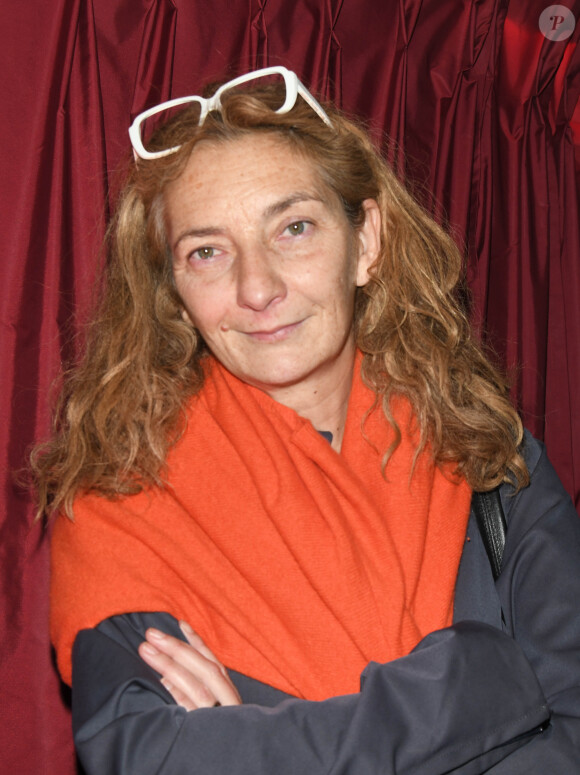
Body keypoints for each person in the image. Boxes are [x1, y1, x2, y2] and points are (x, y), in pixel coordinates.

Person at [33, 67, 580, 773]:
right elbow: (153, 756)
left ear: (367, 241)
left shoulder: (491, 458)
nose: (257, 287)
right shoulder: (122, 500)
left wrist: (274, 737)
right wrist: (480, 681)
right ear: (173, 289)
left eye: (293, 228)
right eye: (206, 251)